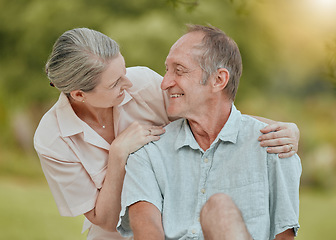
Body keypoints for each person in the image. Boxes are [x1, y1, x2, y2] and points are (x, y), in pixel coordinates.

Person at [34, 28, 299, 240]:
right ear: (79, 95)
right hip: (112, 232)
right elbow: (103, 219)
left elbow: (209, 110)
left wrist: (284, 127)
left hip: (173, 213)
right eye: (116, 83)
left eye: (124, 72)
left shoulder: (141, 85)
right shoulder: (52, 139)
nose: (128, 83)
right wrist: (118, 154)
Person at [117, 25, 301, 240]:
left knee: (219, 209)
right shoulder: (148, 151)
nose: (165, 83)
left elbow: (284, 235)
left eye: (179, 70)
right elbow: (146, 231)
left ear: (218, 80)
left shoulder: (274, 145)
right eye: (167, 69)